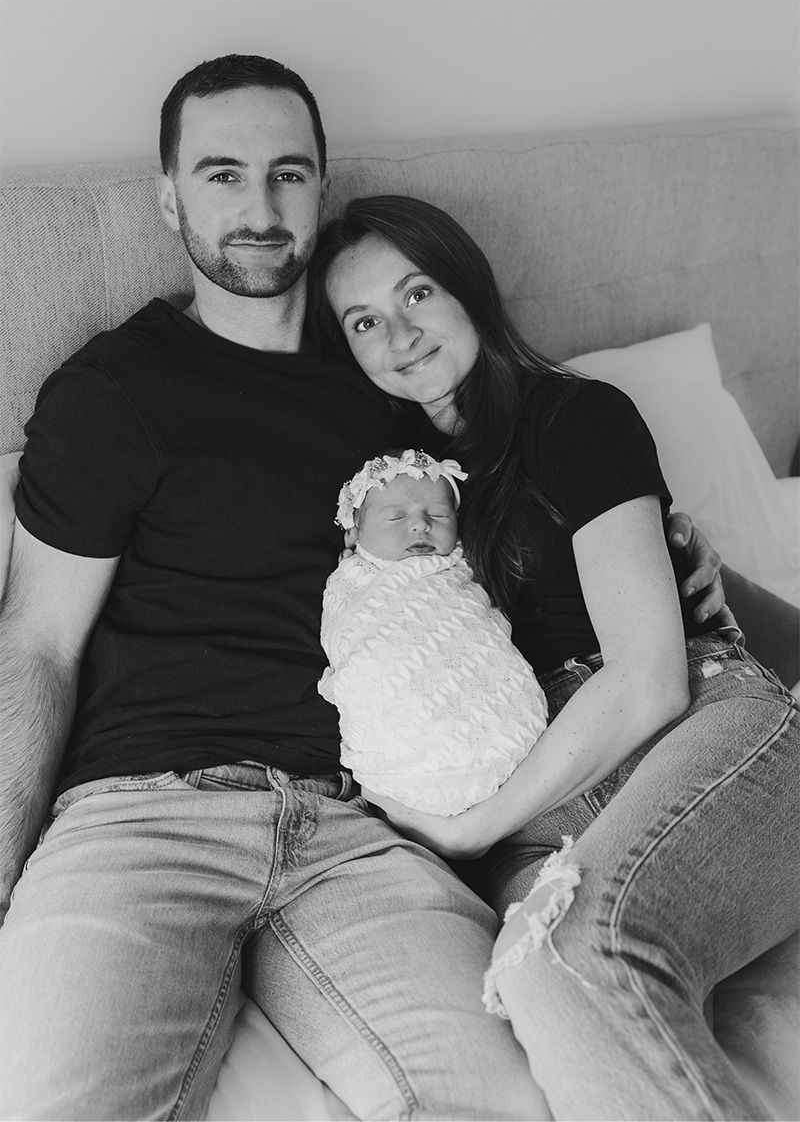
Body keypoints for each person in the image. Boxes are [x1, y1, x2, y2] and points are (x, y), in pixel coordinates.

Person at [0, 55, 723, 1120]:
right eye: (220, 175)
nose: (258, 207)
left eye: (287, 174)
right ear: (167, 195)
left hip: (364, 830)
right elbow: (37, 643)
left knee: (505, 1104)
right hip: (141, 819)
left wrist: (693, 563)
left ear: (321, 188)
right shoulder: (113, 393)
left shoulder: (392, 378)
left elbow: (551, 490)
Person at [306, 193, 800, 1121]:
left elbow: (650, 675)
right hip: (551, 791)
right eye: (366, 321)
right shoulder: (394, 489)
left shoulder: (574, 418)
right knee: (540, 973)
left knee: (577, 946)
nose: (401, 334)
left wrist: (472, 829)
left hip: (693, 724)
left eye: (417, 294)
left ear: (469, 291)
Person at [319, 448, 548, 815]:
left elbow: (477, 623)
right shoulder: (352, 580)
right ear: (353, 532)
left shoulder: (460, 568)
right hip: (406, 752)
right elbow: (351, 642)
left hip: (508, 732)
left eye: (438, 515)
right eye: (396, 517)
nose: (420, 525)